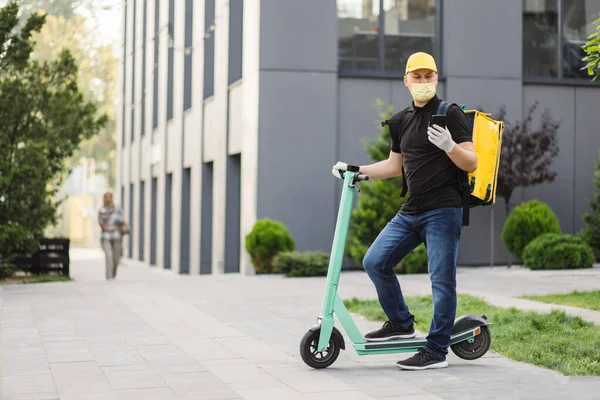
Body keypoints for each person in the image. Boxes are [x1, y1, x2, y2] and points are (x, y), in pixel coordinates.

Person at [332, 52, 477, 370]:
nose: (423, 82)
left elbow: (472, 161)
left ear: (436, 79)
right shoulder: (402, 121)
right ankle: (401, 323)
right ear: (406, 81)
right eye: (417, 77)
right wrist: (356, 170)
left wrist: (450, 146)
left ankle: (436, 351)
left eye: (429, 77)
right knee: (375, 261)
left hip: (443, 210)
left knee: (441, 281)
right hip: (411, 211)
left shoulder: (449, 114)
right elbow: (394, 166)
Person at [98, 191, 125, 280]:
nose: (108, 198)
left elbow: (122, 220)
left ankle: (113, 275)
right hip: (105, 237)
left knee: (116, 259)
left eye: (110, 196)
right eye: (106, 197)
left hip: (116, 237)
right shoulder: (101, 210)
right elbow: (102, 224)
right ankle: (109, 277)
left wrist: (114, 224)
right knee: (109, 256)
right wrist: (112, 225)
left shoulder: (117, 209)